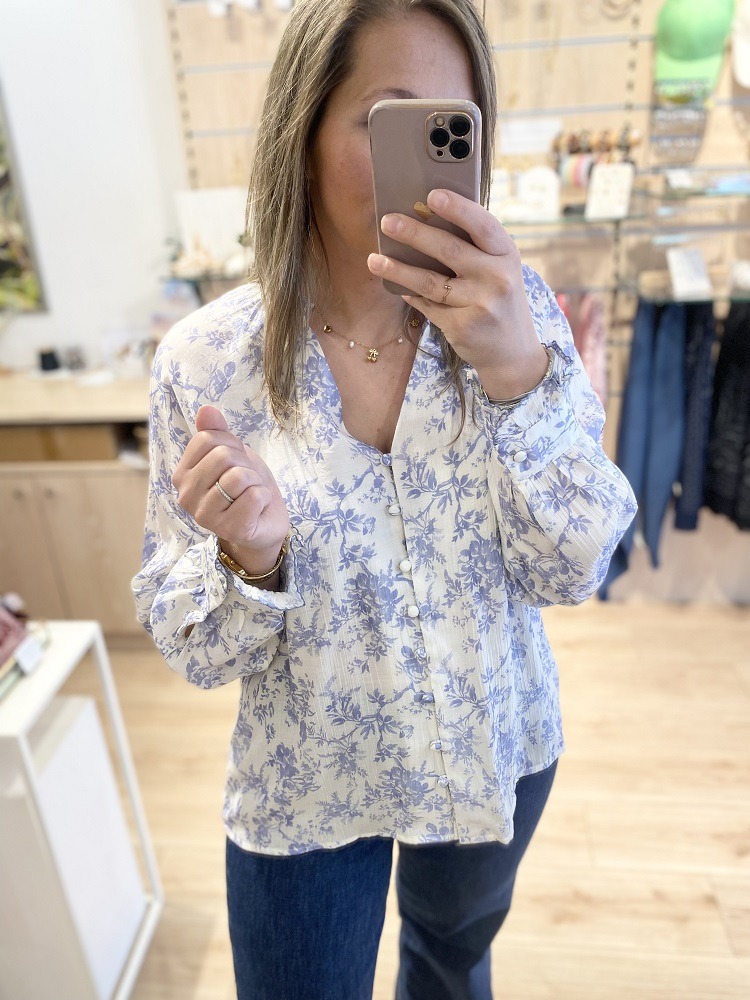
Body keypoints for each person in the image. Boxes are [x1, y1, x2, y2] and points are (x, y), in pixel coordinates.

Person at [132, 1, 637, 997]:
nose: (430, 164)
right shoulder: (208, 361)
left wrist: (517, 375)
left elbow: (574, 568)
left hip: (490, 741)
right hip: (309, 784)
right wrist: (250, 560)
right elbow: (193, 647)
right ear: (303, 131)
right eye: (388, 121)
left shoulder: (519, 315)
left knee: (449, 968)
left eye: (452, 127)